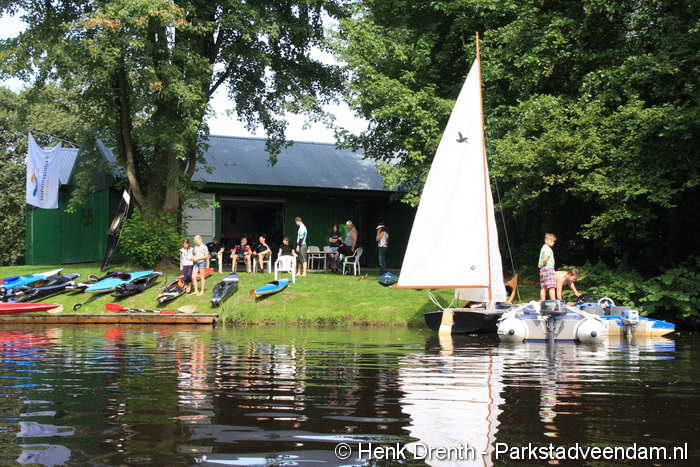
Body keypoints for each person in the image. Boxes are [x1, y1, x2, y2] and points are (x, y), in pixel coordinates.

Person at [538, 233, 557, 301]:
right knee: (551, 286)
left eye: (553, 241)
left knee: (543, 287)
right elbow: (546, 258)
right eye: (551, 241)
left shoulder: (543, 247)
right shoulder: (547, 248)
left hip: (543, 269)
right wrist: (543, 264)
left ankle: (542, 302)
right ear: (546, 240)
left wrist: (541, 266)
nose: (553, 242)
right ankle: (553, 302)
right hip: (548, 268)